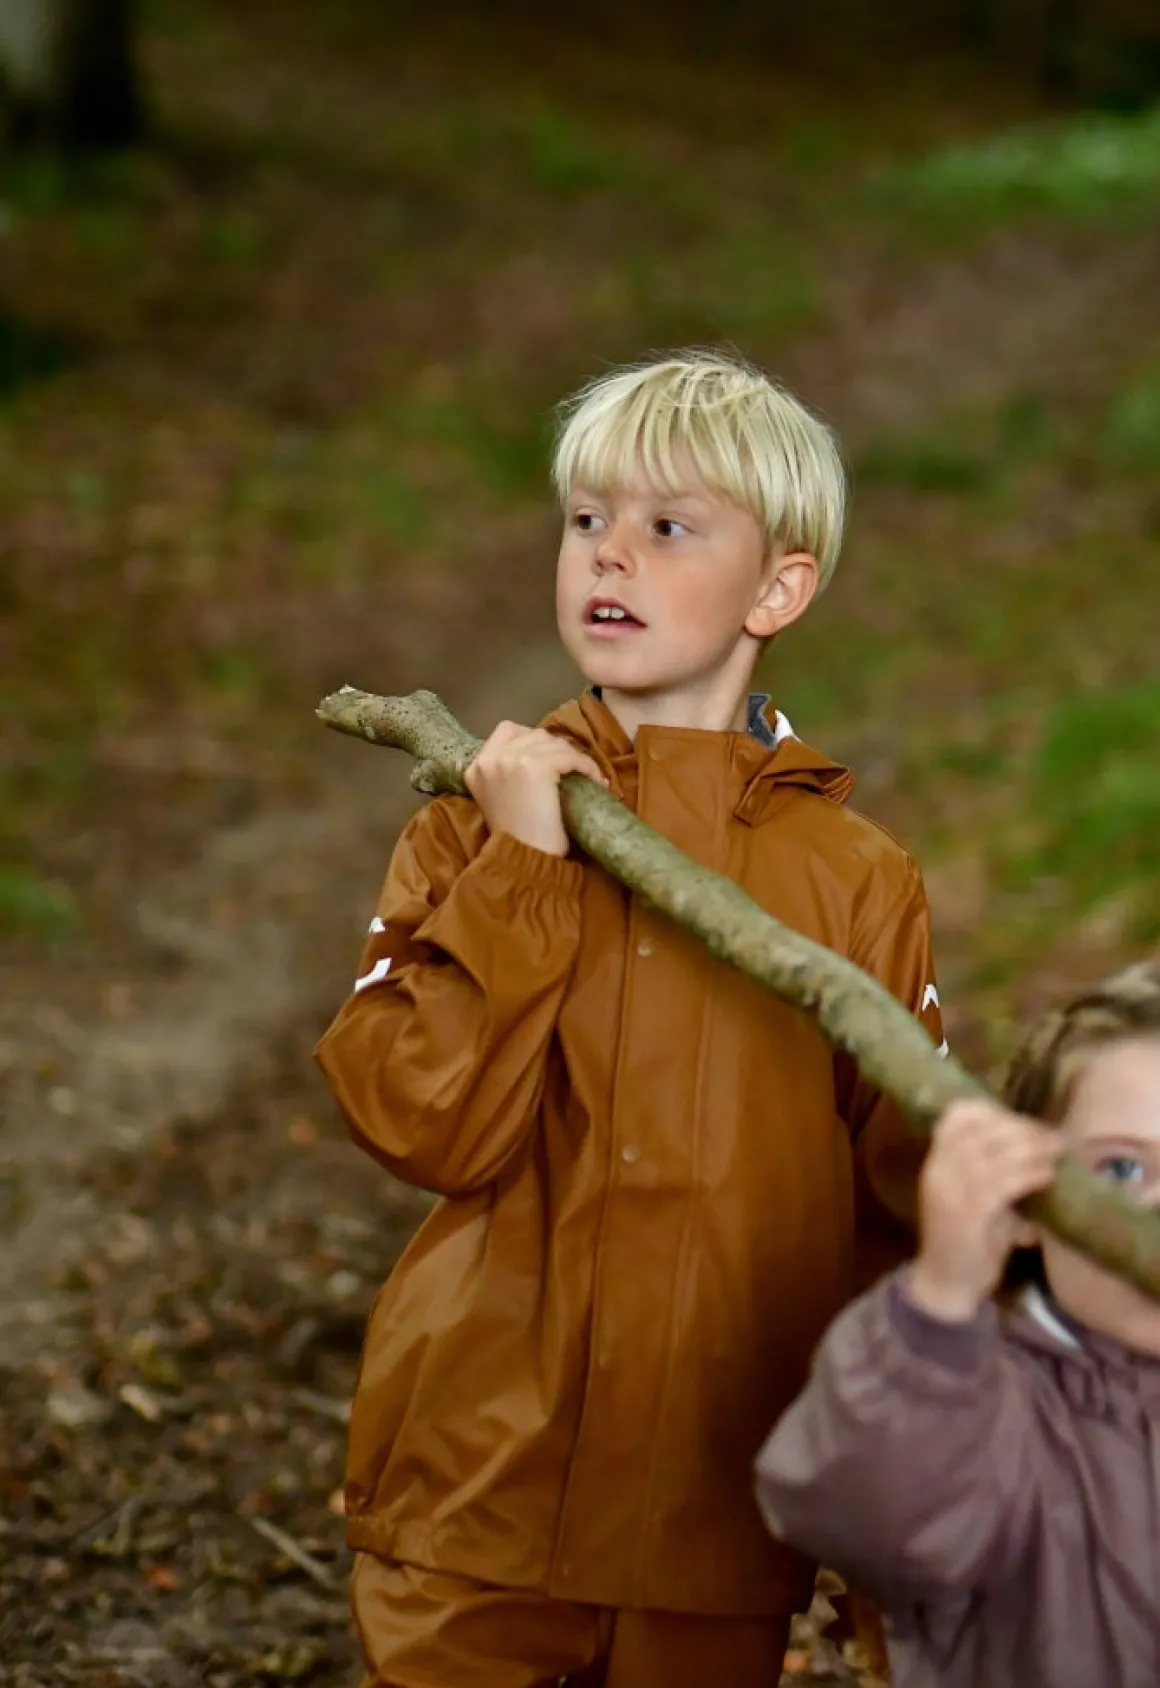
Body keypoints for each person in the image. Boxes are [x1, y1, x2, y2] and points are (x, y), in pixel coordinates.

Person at [315, 349, 946, 1688]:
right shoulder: (464, 836)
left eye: (668, 529)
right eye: (587, 521)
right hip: (475, 1493)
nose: (610, 557)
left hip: (707, 1526)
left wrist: (898, 1513)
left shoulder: (856, 882)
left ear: (778, 586)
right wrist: (525, 872)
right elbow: (422, 1119)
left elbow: (901, 1217)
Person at [755, 961, 1160, 1688]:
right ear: (1029, 1207)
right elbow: (868, 1518)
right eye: (1123, 1171)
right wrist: (940, 1306)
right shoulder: (989, 1406)